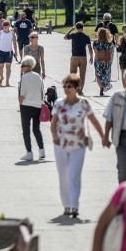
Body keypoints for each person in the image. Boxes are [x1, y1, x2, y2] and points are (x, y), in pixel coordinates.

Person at [50, 74, 104, 218]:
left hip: (79, 144)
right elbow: (54, 122)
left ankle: (74, 205)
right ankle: (66, 205)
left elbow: (93, 121)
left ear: (77, 87)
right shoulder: (59, 103)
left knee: (74, 174)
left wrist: (103, 136)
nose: (67, 89)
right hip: (61, 143)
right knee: (63, 175)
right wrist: (54, 136)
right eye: (65, 86)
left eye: (70, 86)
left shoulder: (84, 103)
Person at [18, 56, 45, 161]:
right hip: (38, 105)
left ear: (28, 66)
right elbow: (42, 91)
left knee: (26, 131)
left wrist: (20, 105)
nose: (21, 68)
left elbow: (21, 94)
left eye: (22, 66)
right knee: (36, 129)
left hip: (26, 106)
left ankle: (29, 152)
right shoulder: (38, 76)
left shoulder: (24, 77)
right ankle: (42, 150)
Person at [64, 22, 93, 95]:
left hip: (75, 57)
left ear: (76, 28)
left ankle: (73, 88)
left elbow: (65, 37)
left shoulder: (73, 35)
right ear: (83, 28)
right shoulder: (86, 36)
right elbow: (90, 48)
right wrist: (91, 56)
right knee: (82, 74)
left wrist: (71, 29)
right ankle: (80, 90)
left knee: (73, 73)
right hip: (83, 57)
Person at [0, 21, 18, 86]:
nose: (5, 26)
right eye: (4, 25)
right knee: (0, 67)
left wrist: (16, 52)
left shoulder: (12, 33)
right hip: (1, 51)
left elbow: (14, 43)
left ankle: (7, 81)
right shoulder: (0, 33)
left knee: (8, 67)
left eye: (7, 25)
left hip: (9, 52)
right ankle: (1, 77)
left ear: (9, 25)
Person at [93, 27, 114, 96]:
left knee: (97, 75)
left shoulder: (95, 43)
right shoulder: (109, 43)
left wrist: (99, 60)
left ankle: (101, 87)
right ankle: (105, 84)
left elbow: (96, 53)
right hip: (106, 61)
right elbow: (110, 53)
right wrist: (106, 60)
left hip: (98, 60)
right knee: (105, 74)